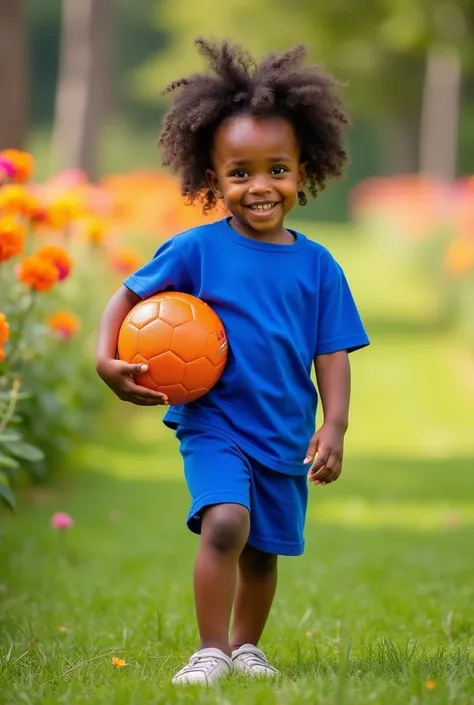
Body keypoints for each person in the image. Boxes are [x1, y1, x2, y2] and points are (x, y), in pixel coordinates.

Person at [96, 38, 370, 686]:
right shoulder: (195, 249)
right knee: (225, 522)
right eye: (239, 172)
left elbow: (331, 351)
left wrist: (334, 425)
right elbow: (129, 293)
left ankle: (247, 647)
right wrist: (105, 358)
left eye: (276, 168)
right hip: (214, 419)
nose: (259, 185)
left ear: (305, 169)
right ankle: (211, 648)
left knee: (264, 550)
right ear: (211, 177)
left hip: (282, 428)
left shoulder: (319, 266)